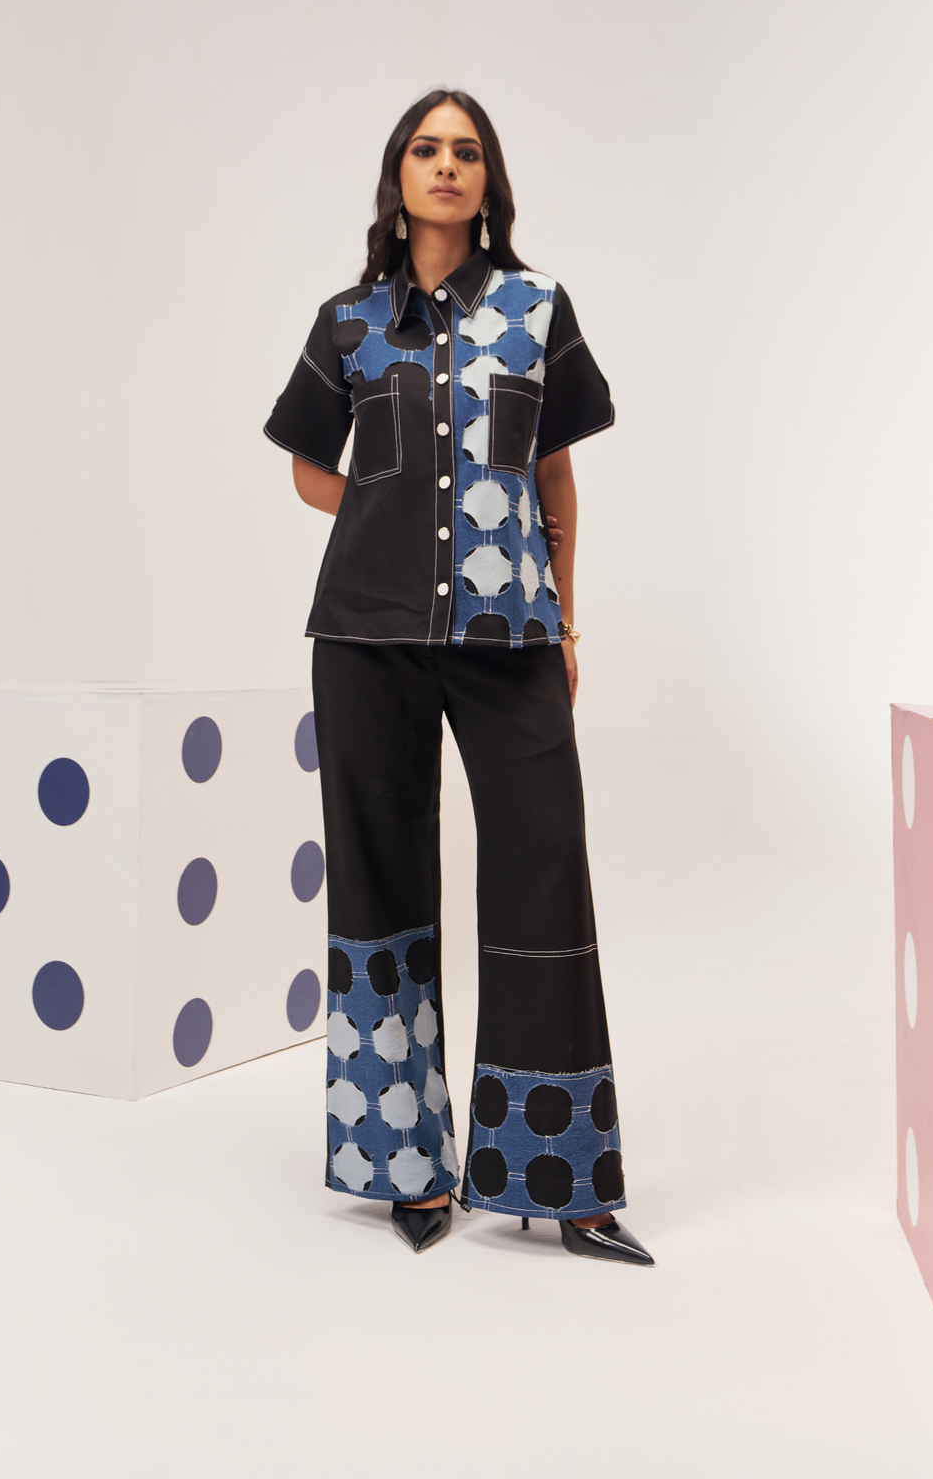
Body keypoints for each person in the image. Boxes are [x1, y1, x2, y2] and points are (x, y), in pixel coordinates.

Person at [264, 89, 653, 1265]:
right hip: (363, 637)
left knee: (544, 874)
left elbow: (555, 476)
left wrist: (565, 620)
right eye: (426, 149)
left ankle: (560, 1180)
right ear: (398, 176)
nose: (446, 165)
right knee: (378, 887)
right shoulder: (347, 323)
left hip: (510, 633)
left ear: (489, 182)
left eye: (466, 151)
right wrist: (385, 518)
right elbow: (307, 470)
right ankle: (408, 1169)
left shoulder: (536, 310)